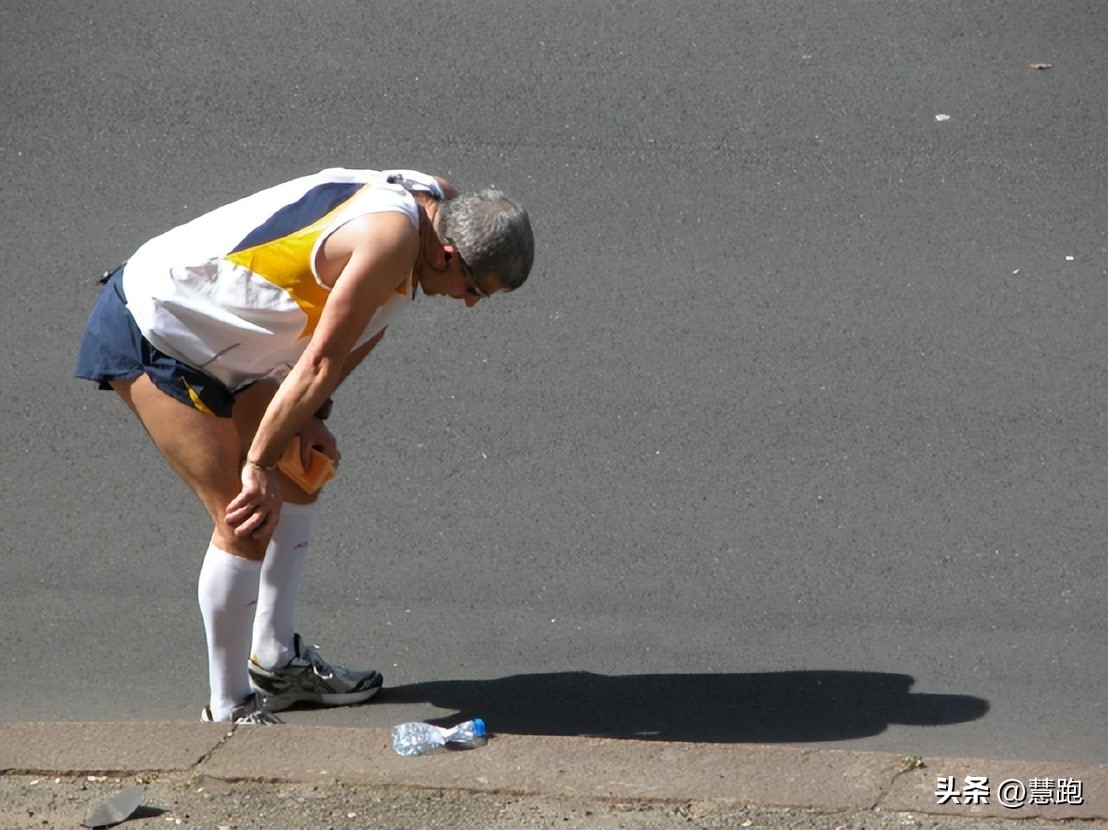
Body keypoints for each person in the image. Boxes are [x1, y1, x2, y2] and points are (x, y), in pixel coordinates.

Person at [76, 168, 534, 723]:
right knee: (246, 517)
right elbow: (319, 361)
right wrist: (260, 460)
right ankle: (229, 710)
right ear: (444, 254)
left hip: (232, 342)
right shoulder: (392, 239)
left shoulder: (439, 206)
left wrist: (310, 417)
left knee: (303, 473)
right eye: (475, 289)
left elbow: (367, 321)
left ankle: (276, 663)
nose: (469, 305)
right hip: (161, 326)